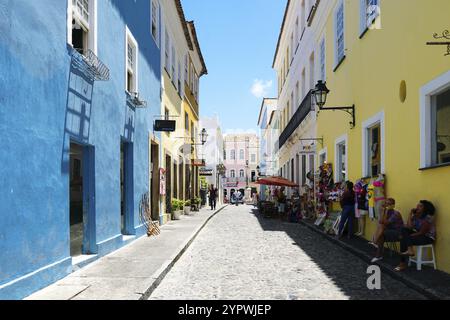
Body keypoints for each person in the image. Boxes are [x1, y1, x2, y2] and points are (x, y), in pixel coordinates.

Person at [395, 200, 436, 272]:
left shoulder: (428, 217)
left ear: (425, 208)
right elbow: (409, 227)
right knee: (404, 229)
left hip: (427, 237)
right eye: (417, 205)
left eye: (420, 206)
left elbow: (422, 232)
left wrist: (409, 236)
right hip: (418, 235)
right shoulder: (416, 216)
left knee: (404, 239)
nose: (417, 207)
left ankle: (402, 264)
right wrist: (410, 214)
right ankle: (409, 251)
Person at [371, 198, 404, 263]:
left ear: (393, 205)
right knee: (381, 232)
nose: (387, 205)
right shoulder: (386, 212)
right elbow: (380, 221)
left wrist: (385, 212)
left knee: (382, 229)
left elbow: (386, 222)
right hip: (389, 231)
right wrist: (383, 212)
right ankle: (378, 253)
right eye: (386, 203)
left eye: (389, 204)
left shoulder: (396, 213)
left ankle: (375, 243)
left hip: (398, 233)